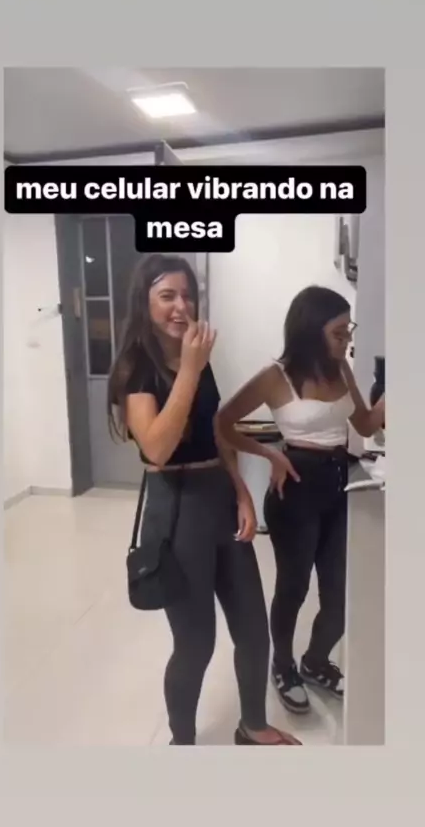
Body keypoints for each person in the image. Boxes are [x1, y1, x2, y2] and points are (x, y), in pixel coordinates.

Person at [107, 253, 301, 745]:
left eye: (187, 295)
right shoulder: (136, 368)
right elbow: (157, 446)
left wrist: (242, 492)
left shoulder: (196, 359)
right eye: (167, 296)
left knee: (253, 628)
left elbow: (215, 432)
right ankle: (183, 743)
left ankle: (252, 724)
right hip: (176, 508)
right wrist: (190, 369)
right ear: (144, 302)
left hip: (218, 496)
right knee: (195, 642)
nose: (181, 306)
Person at [216, 286, 385, 715]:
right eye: (338, 332)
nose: (347, 340)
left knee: (338, 594)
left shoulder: (340, 370)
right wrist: (270, 453)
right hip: (294, 489)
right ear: (311, 330)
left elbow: (365, 423)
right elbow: (223, 422)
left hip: (338, 485)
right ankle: (284, 665)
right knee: (293, 587)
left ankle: (315, 661)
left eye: (349, 331)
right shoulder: (277, 377)